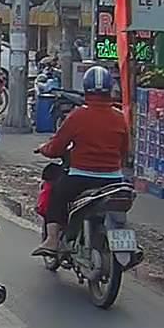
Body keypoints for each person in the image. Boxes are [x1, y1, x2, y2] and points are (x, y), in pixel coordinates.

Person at [31, 66, 129, 256]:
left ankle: (52, 241)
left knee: (56, 196)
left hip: (80, 179)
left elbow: (56, 148)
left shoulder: (77, 116)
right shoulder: (119, 117)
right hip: (114, 180)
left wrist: (44, 148)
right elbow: (125, 150)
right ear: (110, 89)